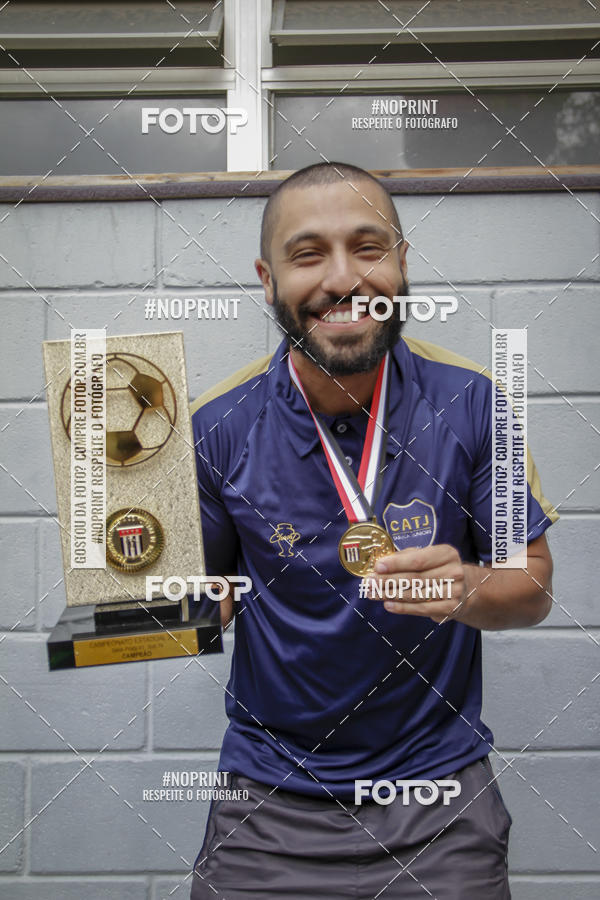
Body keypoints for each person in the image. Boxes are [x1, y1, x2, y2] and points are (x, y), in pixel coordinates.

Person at [189, 162, 557, 899]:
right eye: (307, 254)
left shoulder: (477, 403)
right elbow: (206, 601)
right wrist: (124, 596)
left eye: (367, 247)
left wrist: (470, 587)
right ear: (268, 279)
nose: (342, 278)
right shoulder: (215, 425)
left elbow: (532, 586)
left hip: (439, 804)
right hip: (267, 805)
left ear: (401, 262)